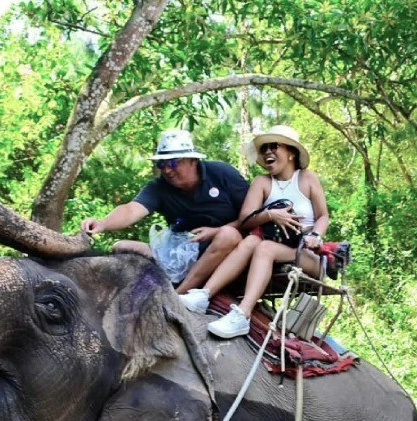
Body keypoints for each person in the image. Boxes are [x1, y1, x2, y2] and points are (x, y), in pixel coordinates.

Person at [179, 125, 330, 339]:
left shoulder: (306, 178)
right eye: (264, 148)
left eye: (273, 146)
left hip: (304, 251)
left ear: (291, 152)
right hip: (274, 244)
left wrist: (315, 235)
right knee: (251, 241)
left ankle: (243, 314)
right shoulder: (262, 182)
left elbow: (323, 216)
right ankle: (203, 295)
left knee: (264, 247)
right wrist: (270, 215)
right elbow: (245, 219)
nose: (268, 151)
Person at [80, 129, 251, 292]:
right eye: (161, 164)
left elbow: (252, 215)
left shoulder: (221, 173)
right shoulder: (159, 187)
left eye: (174, 163)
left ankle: (181, 294)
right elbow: (131, 210)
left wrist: (216, 232)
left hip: (226, 247)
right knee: (121, 246)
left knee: (228, 235)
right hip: (180, 250)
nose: (167, 170)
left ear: (193, 160)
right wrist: (102, 223)